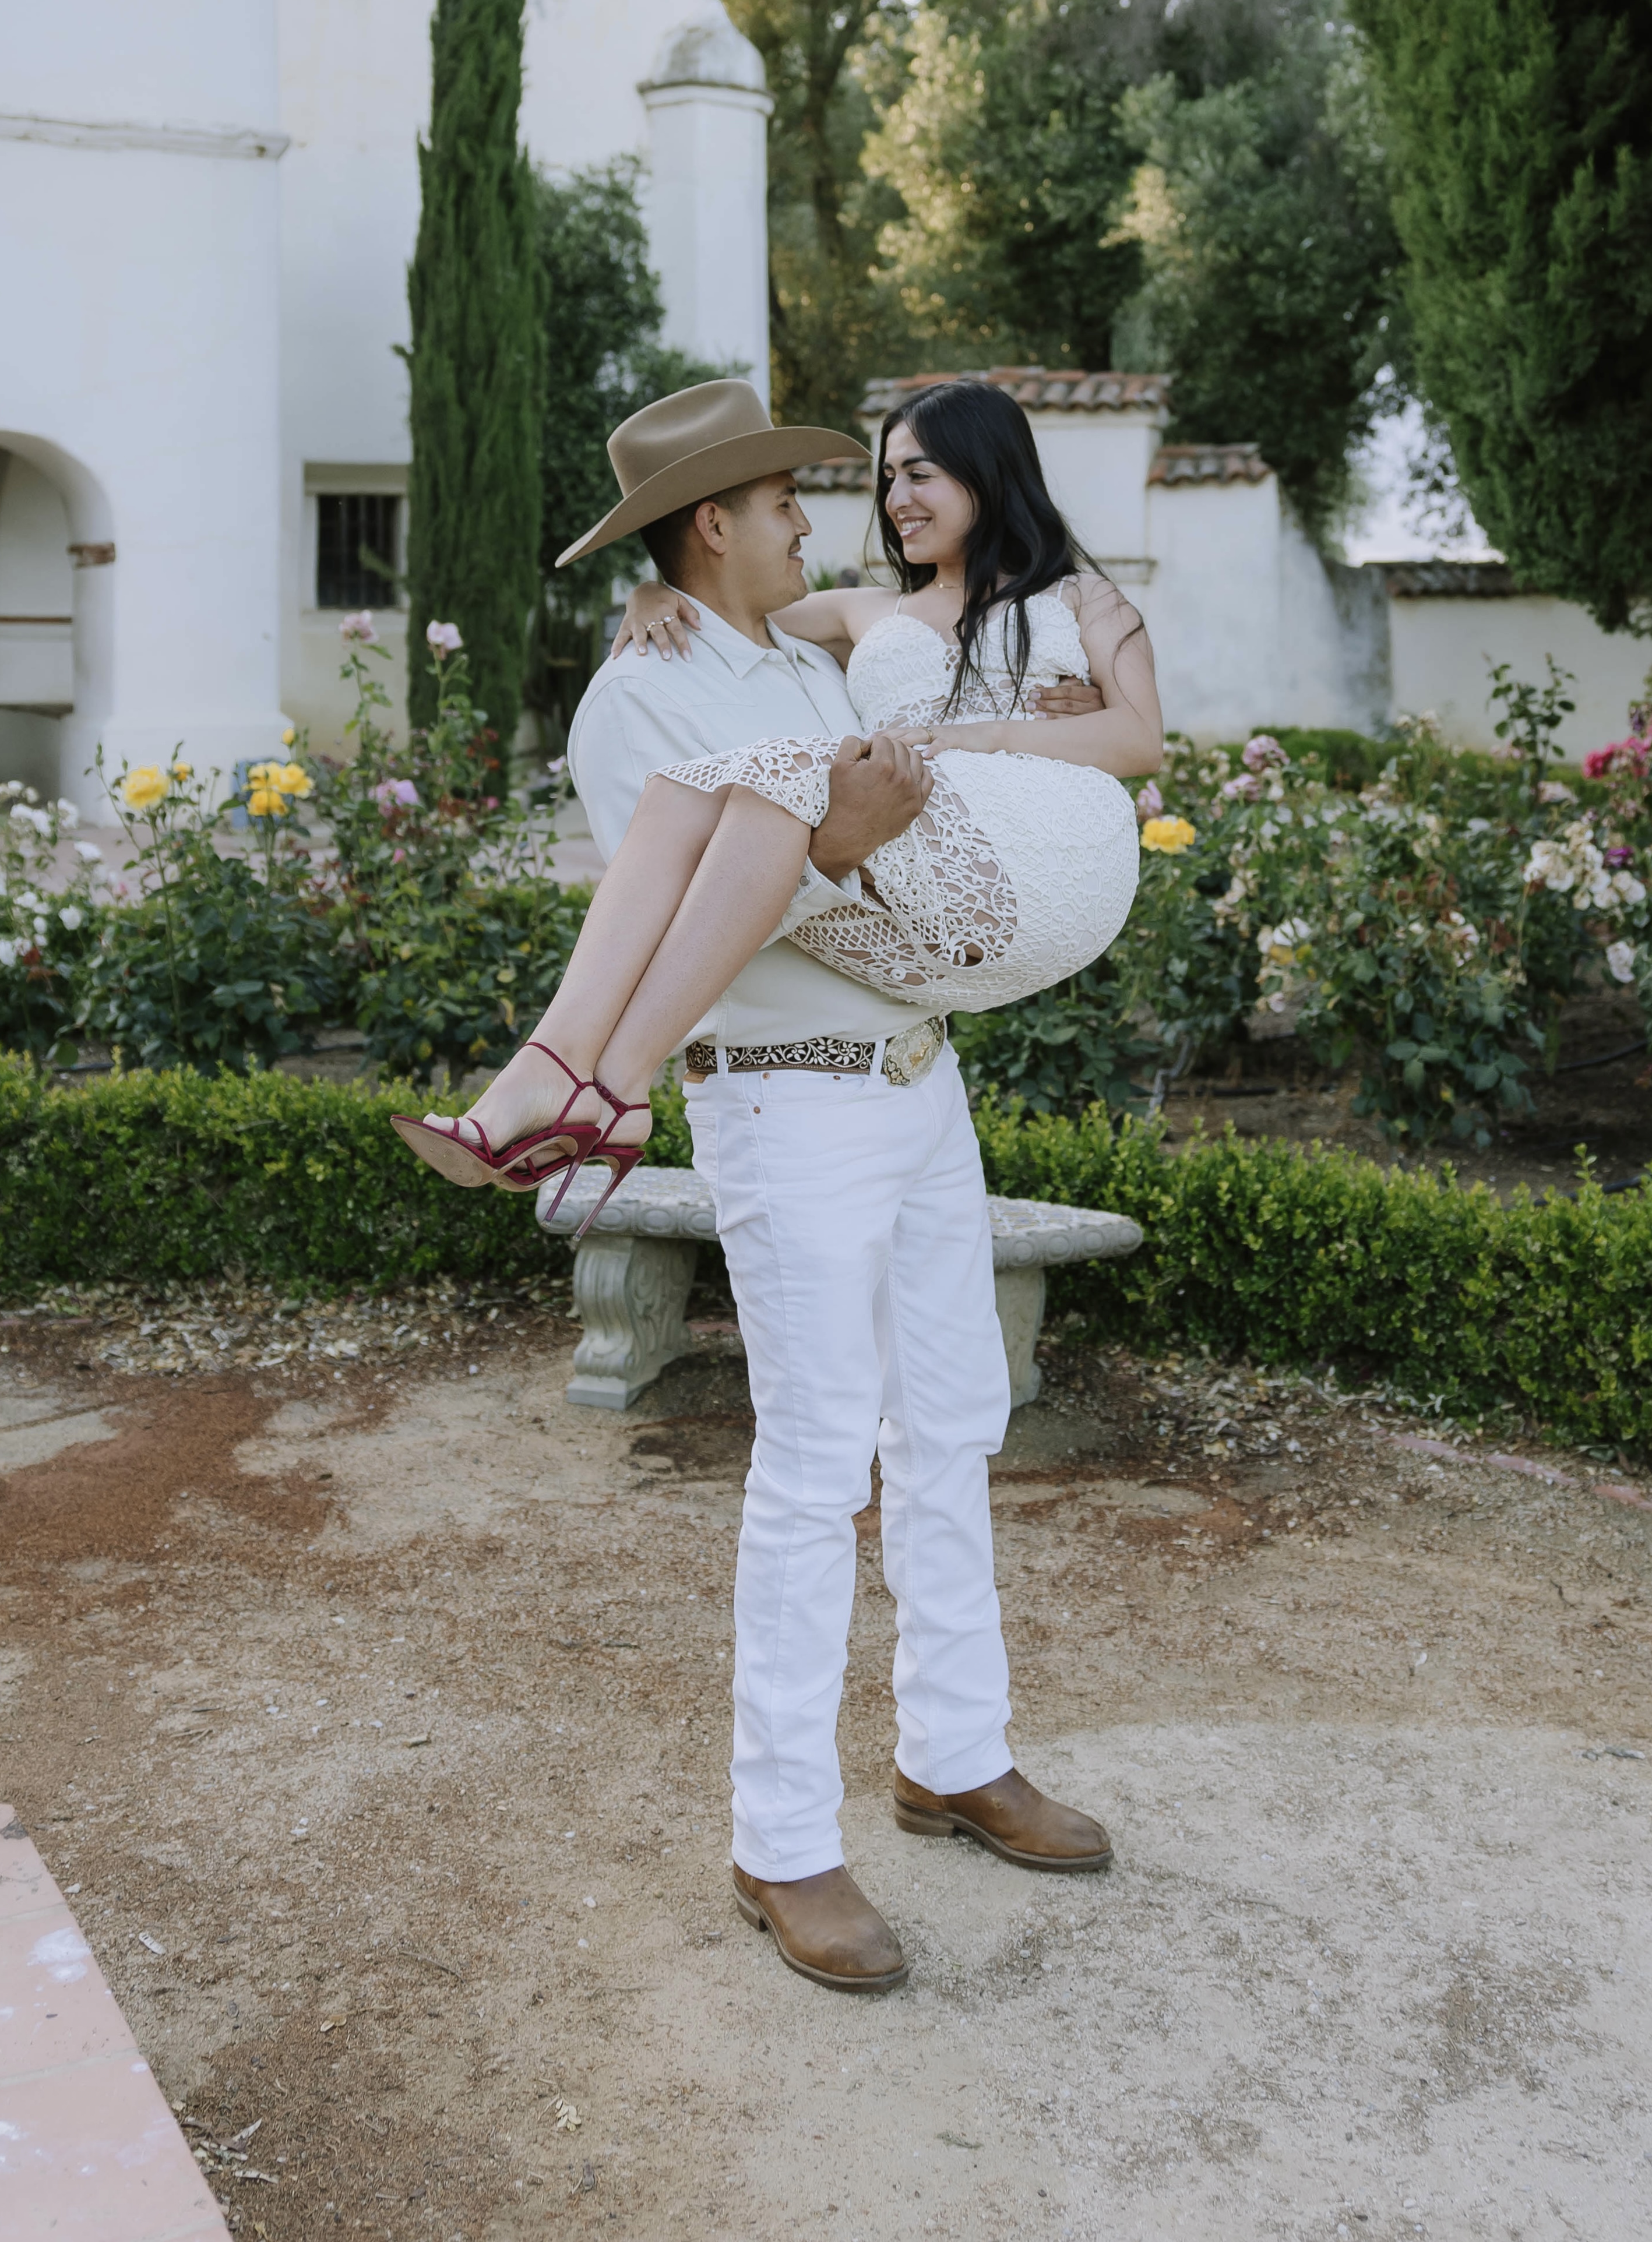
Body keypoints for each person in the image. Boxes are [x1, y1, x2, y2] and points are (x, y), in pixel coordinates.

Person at [393, 376, 1163, 1994]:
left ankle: (954, 1752)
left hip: (914, 1080)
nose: (818, 519)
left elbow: (916, 745)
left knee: (950, 1419)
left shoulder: (798, 652)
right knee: (815, 1462)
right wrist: (830, 841)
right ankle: (782, 1842)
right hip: (784, 1103)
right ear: (713, 523)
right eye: (786, 501)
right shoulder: (641, 699)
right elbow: (710, 902)